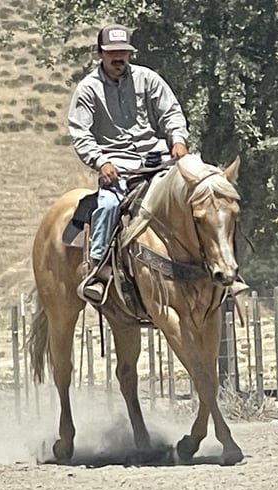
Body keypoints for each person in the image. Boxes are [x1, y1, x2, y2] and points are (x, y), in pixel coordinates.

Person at [67, 23, 189, 303]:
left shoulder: (148, 79)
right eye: (112, 52)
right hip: (117, 163)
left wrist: (178, 141)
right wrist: (100, 161)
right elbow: (80, 132)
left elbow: (171, 112)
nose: (118, 57)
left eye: (123, 52)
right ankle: (98, 269)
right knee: (109, 204)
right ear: (100, 53)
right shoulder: (88, 89)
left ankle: (216, 264)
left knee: (200, 189)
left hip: (155, 155)